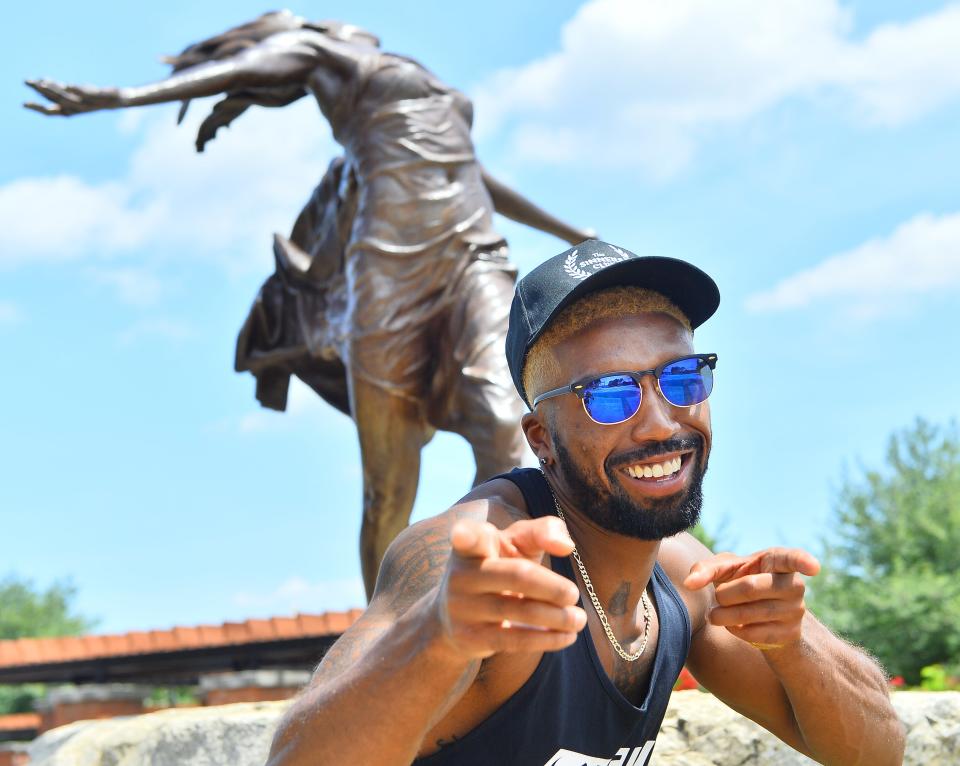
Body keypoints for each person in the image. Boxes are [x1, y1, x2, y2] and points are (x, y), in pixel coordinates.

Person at [263, 240, 905, 765]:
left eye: (682, 379)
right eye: (609, 394)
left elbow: (876, 753)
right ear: (540, 437)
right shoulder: (478, 556)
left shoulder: (685, 580)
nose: (659, 423)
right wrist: (437, 637)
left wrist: (793, 642)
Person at [25, 11, 593, 597]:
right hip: (390, 271)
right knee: (388, 487)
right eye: (291, 23)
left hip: (475, 259)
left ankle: (492, 605)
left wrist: (572, 232)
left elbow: (468, 170)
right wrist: (122, 98)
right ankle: (387, 628)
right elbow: (248, 65)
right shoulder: (331, 56)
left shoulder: (403, 75)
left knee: (504, 426)